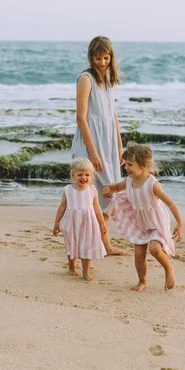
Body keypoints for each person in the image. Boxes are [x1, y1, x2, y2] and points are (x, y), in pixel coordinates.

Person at [71, 36, 127, 256]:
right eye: (98, 58)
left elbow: (113, 116)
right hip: (90, 144)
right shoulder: (86, 79)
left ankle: (104, 244)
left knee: (107, 195)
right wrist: (92, 153)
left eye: (106, 58)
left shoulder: (109, 81)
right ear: (91, 57)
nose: (102, 62)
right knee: (86, 196)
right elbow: (81, 118)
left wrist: (120, 146)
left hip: (109, 143)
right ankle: (85, 244)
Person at [102, 142, 183, 291]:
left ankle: (168, 269)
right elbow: (115, 187)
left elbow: (170, 203)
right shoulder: (128, 181)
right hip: (140, 223)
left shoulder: (153, 184)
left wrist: (179, 223)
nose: (126, 168)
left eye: (130, 164)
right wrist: (107, 188)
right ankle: (142, 281)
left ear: (143, 165)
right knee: (139, 255)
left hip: (156, 222)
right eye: (125, 164)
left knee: (155, 249)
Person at [53, 158, 107, 282]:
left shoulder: (92, 190)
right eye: (80, 175)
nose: (84, 177)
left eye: (87, 174)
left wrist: (102, 224)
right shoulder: (68, 190)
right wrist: (57, 223)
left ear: (91, 176)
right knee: (71, 243)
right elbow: (62, 206)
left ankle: (86, 271)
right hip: (71, 222)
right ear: (73, 175)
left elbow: (97, 208)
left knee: (87, 246)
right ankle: (72, 267)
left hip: (88, 222)